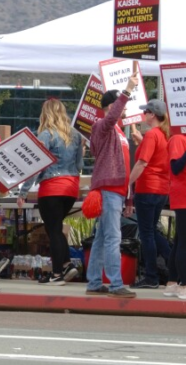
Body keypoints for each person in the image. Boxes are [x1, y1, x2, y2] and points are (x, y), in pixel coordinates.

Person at [18, 99, 84, 285]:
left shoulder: (46, 135)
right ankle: (66, 265)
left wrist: (23, 192)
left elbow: (36, 165)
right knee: (55, 227)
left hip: (52, 187)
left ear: (45, 114)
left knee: (53, 230)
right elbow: (79, 165)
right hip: (71, 188)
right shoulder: (76, 136)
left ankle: (57, 273)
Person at [85, 75, 139, 299]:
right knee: (112, 237)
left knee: (102, 238)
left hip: (114, 190)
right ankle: (116, 284)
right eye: (120, 104)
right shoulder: (102, 125)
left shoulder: (116, 132)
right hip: (109, 189)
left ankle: (95, 281)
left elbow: (125, 165)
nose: (125, 108)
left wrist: (128, 198)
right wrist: (127, 90)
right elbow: (111, 117)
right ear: (111, 106)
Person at [129, 99, 172, 289]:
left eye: (146, 112)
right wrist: (141, 141)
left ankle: (151, 276)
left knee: (146, 233)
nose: (144, 114)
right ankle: (175, 266)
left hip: (147, 188)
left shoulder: (152, 134)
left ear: (152, 114)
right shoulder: (165, 134)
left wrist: (127, 183)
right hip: (162, 189)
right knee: (152, 231)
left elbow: (142, 163)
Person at [163, 130, 186, 299]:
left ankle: (172, 282)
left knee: (180, 240)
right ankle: (184, 285)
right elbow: (176, 167)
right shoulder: (178, 138)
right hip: (183, 196)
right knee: (183, 242)